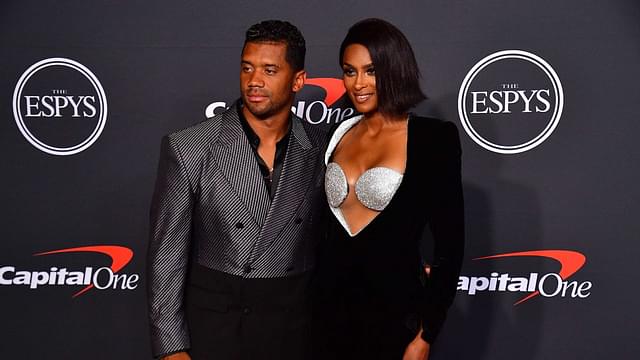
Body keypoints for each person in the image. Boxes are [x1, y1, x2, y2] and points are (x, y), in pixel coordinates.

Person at [147, 20, 329, 360]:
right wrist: (171, 348)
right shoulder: (190, 147)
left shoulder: (322, 146)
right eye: (247, 68)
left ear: (298, 80)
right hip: (216, 332)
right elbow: (166, 258)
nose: (254, 81)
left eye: (270, 70)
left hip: (292, 333)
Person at [313, 18, 465, 360]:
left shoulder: (433, 138)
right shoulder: (337, 134)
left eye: (371, 71)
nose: (359, 83)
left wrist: (427, 334)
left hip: (395, 319)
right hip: (327, 317)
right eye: (349, 71)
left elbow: (450, 246)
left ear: (394, 70)